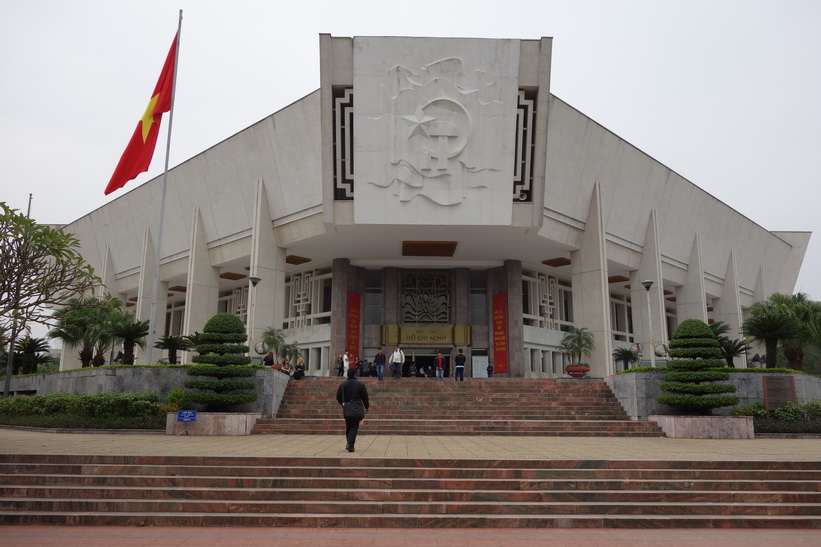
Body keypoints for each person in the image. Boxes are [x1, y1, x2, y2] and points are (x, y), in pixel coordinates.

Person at [335, 368, 370, 452]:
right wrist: (367, 406)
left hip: (347, 408)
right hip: (356, 407)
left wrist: (343, 404)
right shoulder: (360, 385)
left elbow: (338, 397)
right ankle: (350, 445)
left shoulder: (343, 385)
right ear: (355, 374)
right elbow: (365, 397)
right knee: (354, 426)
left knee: (348, 426)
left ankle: (349, 443)